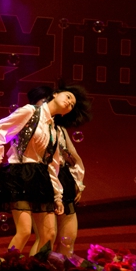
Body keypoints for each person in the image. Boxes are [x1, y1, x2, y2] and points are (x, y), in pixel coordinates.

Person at [0, 85, 88, 254]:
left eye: (72, 105)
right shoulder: (30, 111)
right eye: (68, 97)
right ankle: (7, 267)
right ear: (55, 94)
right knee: (24, 231)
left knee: (49, 235)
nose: (69, 103)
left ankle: (35, 268)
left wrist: (57, 196)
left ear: (66, 114)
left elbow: (52, 165)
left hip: (41, 178)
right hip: (20, 174)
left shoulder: (53, 129)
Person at [26, 85, 92, 256]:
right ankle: (33, 270)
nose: (44, 105)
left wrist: (78, 182)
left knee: (68, 237)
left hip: (62, 177)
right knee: (47, 238)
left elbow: (72, 156)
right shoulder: (30, 120)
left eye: (46, 100)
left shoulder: (59, 128)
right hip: (42, 178)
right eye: (40, 102)